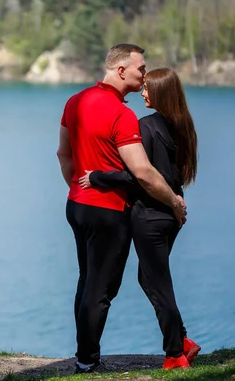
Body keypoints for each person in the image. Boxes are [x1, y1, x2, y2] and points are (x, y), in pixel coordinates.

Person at [56, 44, 187, 374]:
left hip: (77, 205)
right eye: (141, 69)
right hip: (109, 212)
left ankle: (84, 356)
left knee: (87, 282)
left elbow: (63, 154)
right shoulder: (121, 114)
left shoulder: (74, 102)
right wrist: (174, 201)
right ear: (120, 70)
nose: (144, 75)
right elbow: (142, 172)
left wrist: (76, 186)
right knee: (102, 290)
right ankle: (86, 362)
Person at [78, 67, 201, 370]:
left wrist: (98, 177)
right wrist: (176, 200)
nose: (143, 93)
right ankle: (182, 340)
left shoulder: (145, 126)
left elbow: (137, 176)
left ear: (160, 93)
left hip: (149, 216)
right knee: (149, 278)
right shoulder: (183, 126)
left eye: (148, 88)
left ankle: (174, 354)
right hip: (168, 216)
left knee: (158, 284)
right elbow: (175, 174)